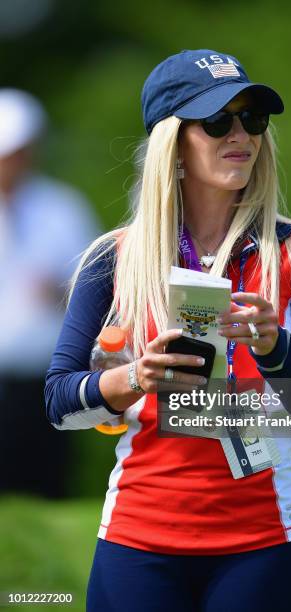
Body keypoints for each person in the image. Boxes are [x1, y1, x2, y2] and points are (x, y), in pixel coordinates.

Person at [45, 49, 291, 611]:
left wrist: (274, 347)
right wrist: (135, 377)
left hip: (264, 544)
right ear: (172, 144)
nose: (241, 135)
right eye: (217, 121)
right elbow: (60, 406)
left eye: (252, 119)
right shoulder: (115, 258)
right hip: (137, 543)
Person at [0, 88, 100, 497]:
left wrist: (60, 294)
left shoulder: (62, 208)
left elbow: (101, 295)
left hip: (47, 378)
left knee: (46, 486)